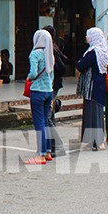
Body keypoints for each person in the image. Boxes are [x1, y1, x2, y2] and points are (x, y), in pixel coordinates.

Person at [24, 29, 54, 165]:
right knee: (46, 122)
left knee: (39, 123)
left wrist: (29, 77)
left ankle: (40, 155)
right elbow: (51, 74)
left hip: (38, 91)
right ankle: (47, 151)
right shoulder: (49, 54)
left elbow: (33, 72)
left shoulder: (35, 54)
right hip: (49, 90)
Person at [76, 27, 108, 151]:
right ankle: (97, 141)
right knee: (97, 113)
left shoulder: (94, 52)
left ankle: (95, 141)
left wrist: (80, 62)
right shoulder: (103, 51)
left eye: (88, 35)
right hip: (99, 87)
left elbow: (80, 65)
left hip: (92, 88)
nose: (86, 37)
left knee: (92, 113)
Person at [43, 25, 67, 156]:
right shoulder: (53, 47)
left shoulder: (50, 48)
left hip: (51, 85)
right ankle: (52, 145)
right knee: (50, 115)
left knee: (47, 116)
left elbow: (61, 67)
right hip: (53, 85)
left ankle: (57, 145)